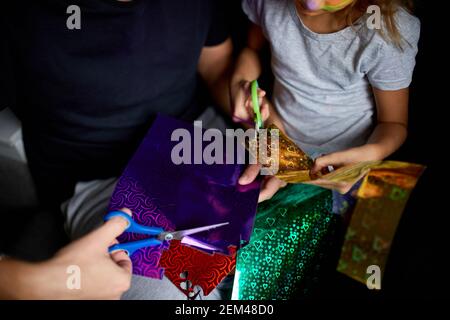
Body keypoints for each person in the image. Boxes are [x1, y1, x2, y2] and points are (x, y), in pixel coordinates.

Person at [0, 0, 233, 299]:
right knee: (182, 294)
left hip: (201, 138)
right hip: (102, 178)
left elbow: (216, 63)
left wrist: (266, 139)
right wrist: (29, 283)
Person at [231, 0, 420, 202]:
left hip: (347, 171)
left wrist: (369, 155)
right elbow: (252, 50)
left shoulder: (386, 29)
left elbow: (393, 124)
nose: (312, 2)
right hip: (273, 144)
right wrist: (240, 83)